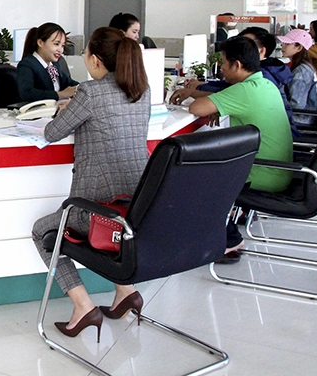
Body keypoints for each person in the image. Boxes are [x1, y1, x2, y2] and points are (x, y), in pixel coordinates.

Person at [31, 27, 151, 341]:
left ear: (96, 60)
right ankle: (126, 291)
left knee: (42, 231)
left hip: (97, 210)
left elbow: (52, 133)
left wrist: (69, 111)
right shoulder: (142, 89)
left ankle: (83, 305)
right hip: (136, 208)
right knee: (117, 232)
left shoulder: (90, 92)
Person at [175, 36, 293, 258]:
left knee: (191, 174)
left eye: (224, 63)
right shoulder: (264, 84)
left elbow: (196, 109)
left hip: (262, 174)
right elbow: (222, 97)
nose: (221, 69)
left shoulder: (244, 92)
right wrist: (196, 94)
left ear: (237, 65)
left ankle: (228, 239)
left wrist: (208, 103)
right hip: (278, 169)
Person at [16, 23, 79, 102]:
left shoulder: (54, 64)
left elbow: (68, 82)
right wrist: (60, 94)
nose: (60, 50)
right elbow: (27, 93)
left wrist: (82, 87)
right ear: (40, 43)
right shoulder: (27, 64)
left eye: (62, 45)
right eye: (56, 44)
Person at [278, 28, 317, 124]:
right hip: (304, 115)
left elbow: (297, 105)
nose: (283, 46)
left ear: (299, 48)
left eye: (287, 44)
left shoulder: (301, 72)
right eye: (283, 43)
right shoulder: (303, 66)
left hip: (302, 118)